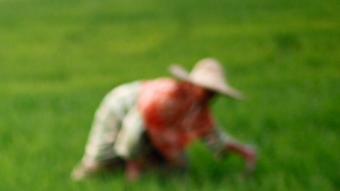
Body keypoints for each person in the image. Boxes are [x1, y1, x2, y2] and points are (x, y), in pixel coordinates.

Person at [72, 58, 257, 181]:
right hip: (120, 110)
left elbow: (211, 134)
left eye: (214, 92)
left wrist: (242, 150)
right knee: (102, 159)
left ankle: (144, 177)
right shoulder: (164, 97)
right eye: (207, 90)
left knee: (176, 166)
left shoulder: (198, 107)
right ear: (193, 84)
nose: (211, 95)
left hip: (147, 128)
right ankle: (81, 178)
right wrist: (133, 164)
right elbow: (133, 130)